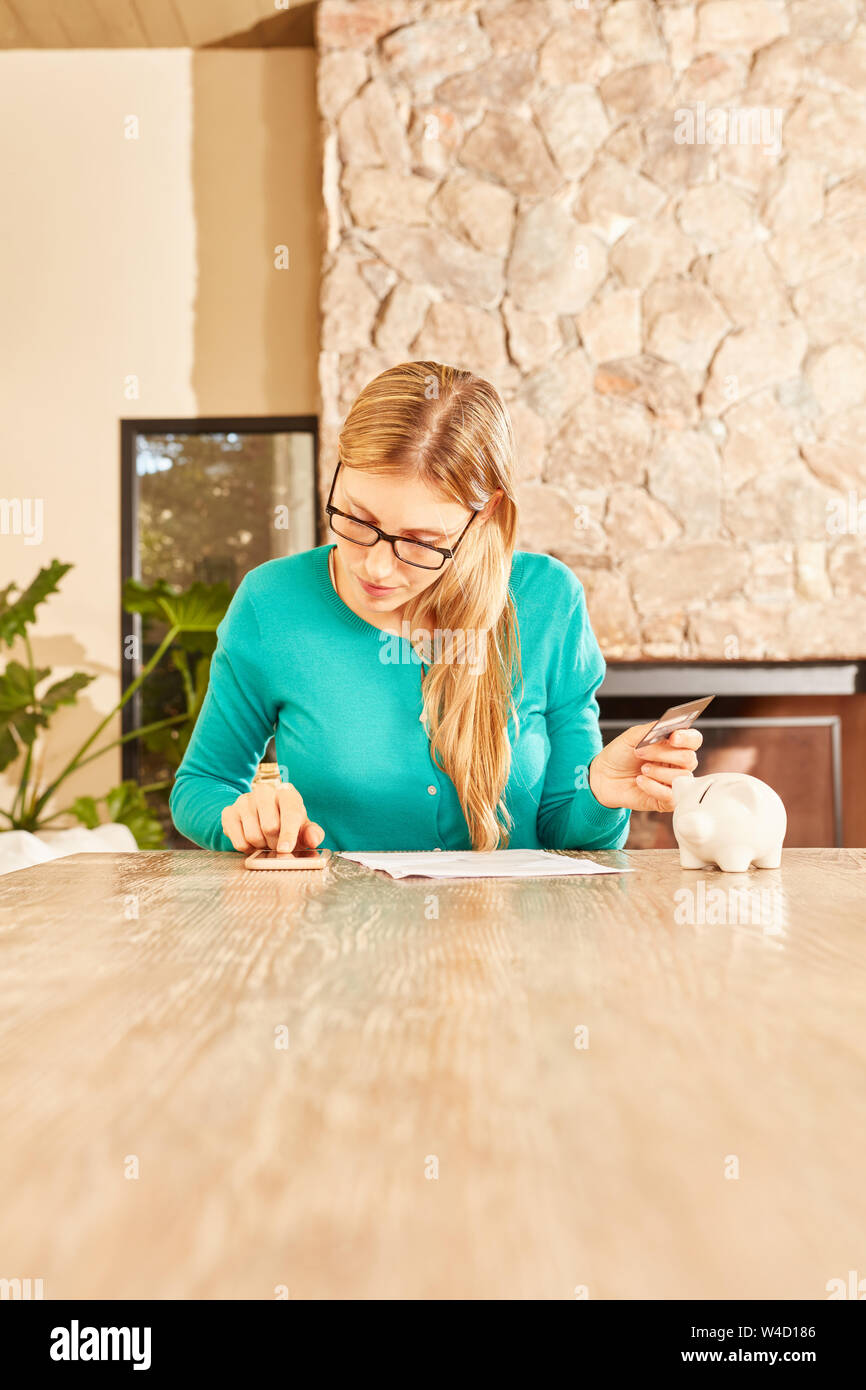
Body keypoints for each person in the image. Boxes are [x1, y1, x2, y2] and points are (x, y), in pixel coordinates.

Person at [169, 361, 701, 856]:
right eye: (357, 519)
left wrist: (602, 792)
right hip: (340, 942)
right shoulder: (273, 603)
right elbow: (203, 786)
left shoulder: (548, 602)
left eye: (421, 542)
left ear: (485, 513)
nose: (376, 568)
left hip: (511, 945)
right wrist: (243, 819)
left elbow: (568, 832)